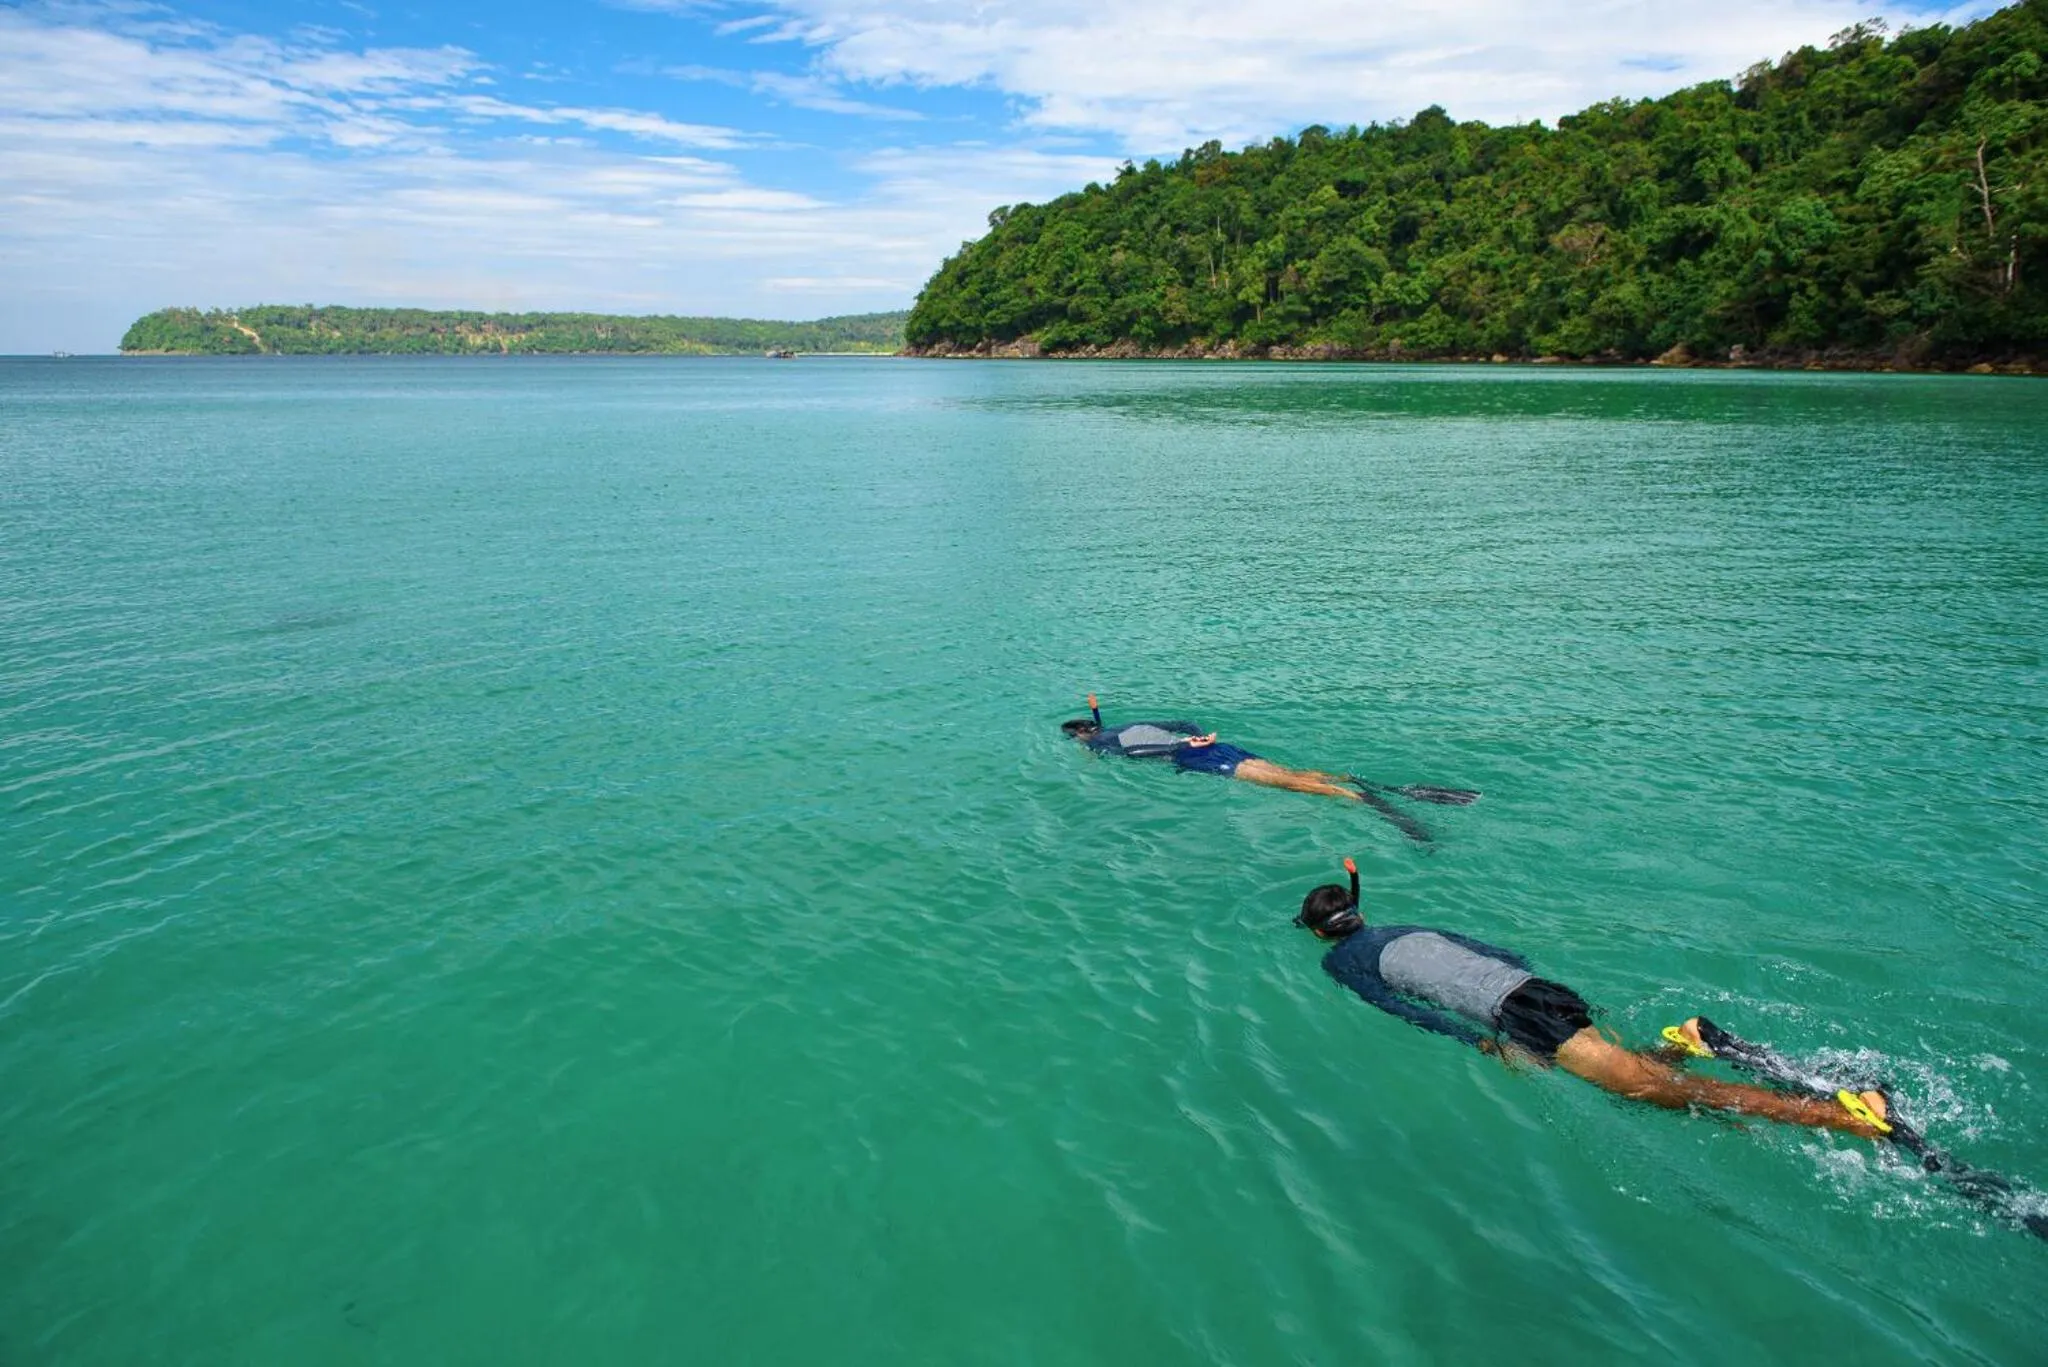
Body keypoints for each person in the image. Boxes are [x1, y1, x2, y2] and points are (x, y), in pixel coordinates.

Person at [1296, 858, 1893, 1138]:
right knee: (1638, 1080)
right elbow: (1502, 955)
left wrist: (1485, 1041)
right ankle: (1687, 1040)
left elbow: (1408, 1011)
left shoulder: (1340, 964)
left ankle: (1843, 1117)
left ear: (1322, 932)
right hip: (1541, 991)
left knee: (1660, 1095)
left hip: (1517, 1016)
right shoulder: (1404, 928)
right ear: (1361, 913)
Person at [1060, 698, 1475, 842]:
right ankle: (1385, 787)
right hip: (1217, 745)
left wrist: (1186, 750)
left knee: (1289, 786)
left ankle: (1375, 804)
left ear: (1082, 732)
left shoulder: (1099, 742)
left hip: (1198, 757)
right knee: (1294, 773)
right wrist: (1198, 737)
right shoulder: (1122, 725)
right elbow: (1185, 722)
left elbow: (1138, 755)